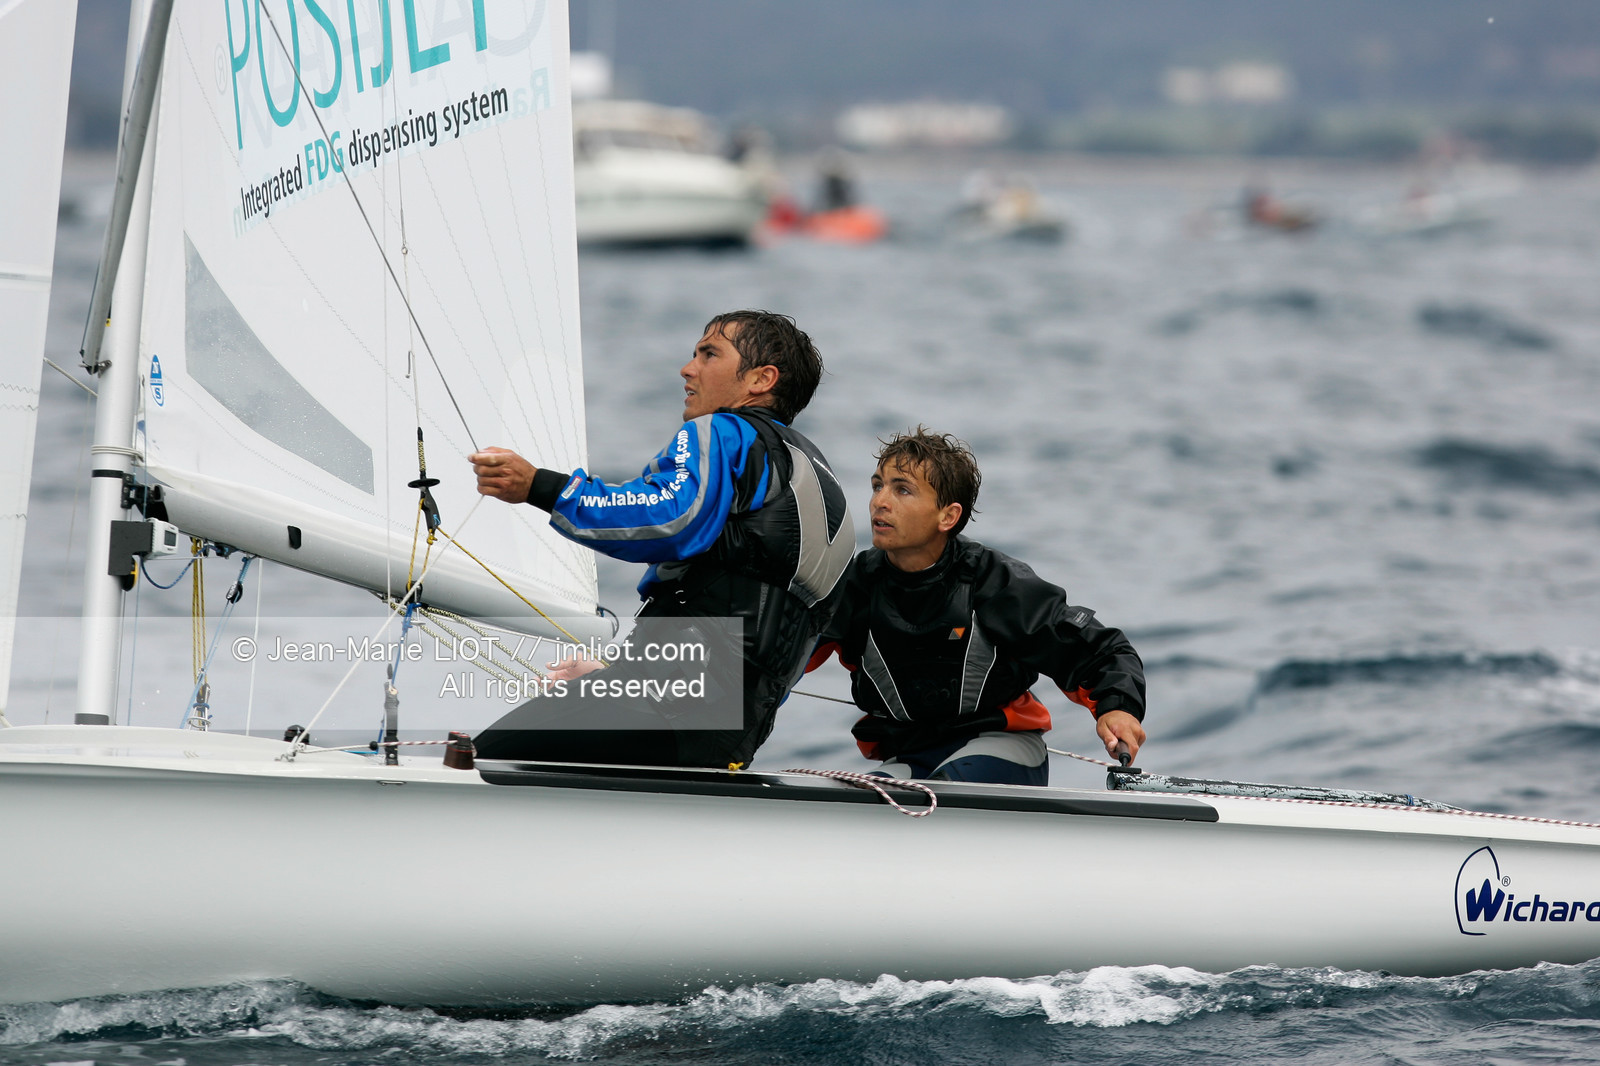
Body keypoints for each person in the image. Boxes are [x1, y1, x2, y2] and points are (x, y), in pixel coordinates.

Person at [468, 311, 855, 769]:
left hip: (672, 705)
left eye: (709, 354)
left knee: (482, 764)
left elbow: (672, 519)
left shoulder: (724, 431)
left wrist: (540, 487)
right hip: (732, 734)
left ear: (760, 379)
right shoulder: (819, 477)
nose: (687, 369)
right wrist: (614, 677)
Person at [806, 429, 1145, 785]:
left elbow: (1102, 650)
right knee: (862, 804)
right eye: (878, 486)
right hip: (907, 757)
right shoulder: (853, 587)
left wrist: (1118, 707)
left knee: (941, 789)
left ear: (948, 517)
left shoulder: (994, 582)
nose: (880, 501)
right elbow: (770, 657)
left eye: (902, 489)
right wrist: (737, 727)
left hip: (1002, 748)